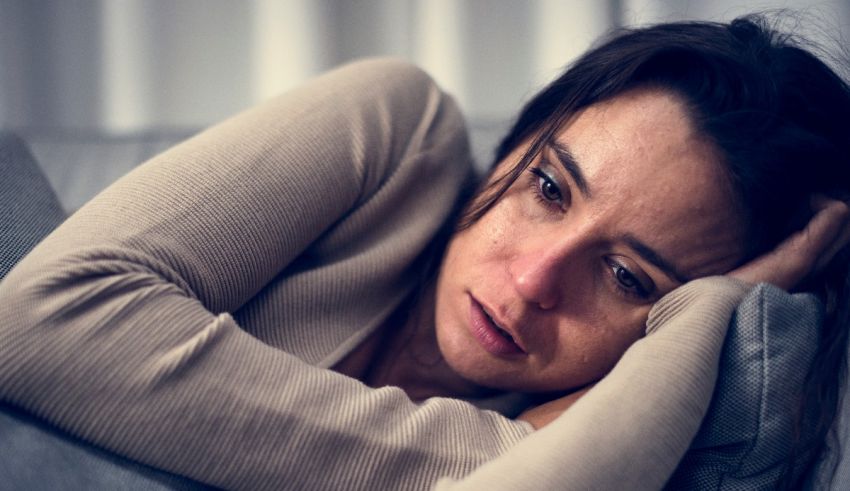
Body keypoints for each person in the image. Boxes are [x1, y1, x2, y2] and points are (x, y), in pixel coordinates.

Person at [0, 13, 848, 490]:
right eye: (549, 187)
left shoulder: (594, 422)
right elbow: (40, 319)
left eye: (628, 278)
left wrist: (712, 308)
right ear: (521, 138)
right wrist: (487, 451)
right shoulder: (400, 132)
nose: (531, 279)